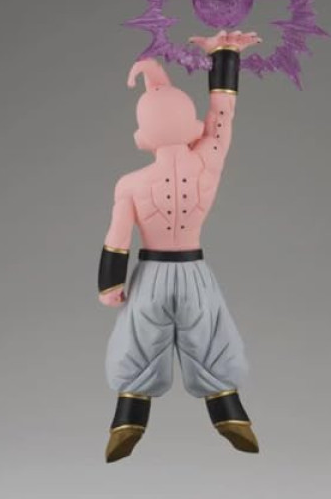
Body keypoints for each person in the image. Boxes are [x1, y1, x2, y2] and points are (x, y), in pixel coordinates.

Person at [98, 30, 262, 463]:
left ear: (142, 136)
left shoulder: (131, 184)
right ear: (192, 128)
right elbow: (222, 117)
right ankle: (229, 412)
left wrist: (109, 286)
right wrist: (224, 55)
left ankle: (128, 419)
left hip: (149, 277)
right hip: (194, 274)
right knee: (211, 338)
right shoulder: (206, 164)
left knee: (137, 343)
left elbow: (117, 239)